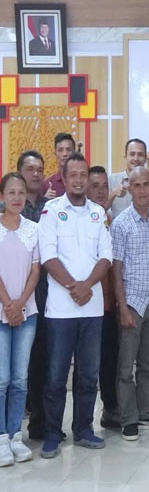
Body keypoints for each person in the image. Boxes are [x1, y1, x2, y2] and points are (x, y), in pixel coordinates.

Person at [37, 153, 113, 458]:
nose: (80, 180)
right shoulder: (51, 211)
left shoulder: (98, 213)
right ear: (64, 178)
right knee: (56, 375)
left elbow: (106, 256)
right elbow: (48, 257)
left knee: (88, 374)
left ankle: (84, 429)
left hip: (91, 309)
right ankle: (53, 433)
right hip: (61, 310)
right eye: (74, 175)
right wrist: (74, 286)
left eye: (84, 175)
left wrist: (87, 286)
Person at [111, 166, 149, 441]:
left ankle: (145, 412)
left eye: (147, 185)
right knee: (126, 368)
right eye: (138, 185)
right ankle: (128, 418)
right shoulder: (121, 223)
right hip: (132, 303)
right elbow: (116, 269)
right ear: (129, 188)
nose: (143, 190)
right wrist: (122, 308)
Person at [0, 173, 40, 466]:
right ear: (2, 196)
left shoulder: (33, 230)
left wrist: (20, 304)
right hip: (1, 311)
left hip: (27, 312)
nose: (16, 197)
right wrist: (8, 305)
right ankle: (1, 436)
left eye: (21, 192)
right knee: (1, 379)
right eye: (11, 192)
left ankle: (16, 434)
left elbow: (36, 272)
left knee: (20, 379)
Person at [13, 151, 50, 441]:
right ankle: (8, 431)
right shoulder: (8, 211)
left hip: (46, 299)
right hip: (12, 300)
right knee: (10, 372)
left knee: (40, 366)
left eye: (40, 169)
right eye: (30, 169)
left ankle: (39, 424)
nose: (36, 174)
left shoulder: (52, 209)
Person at [86, 167, 120, 430]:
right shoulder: (81, 220)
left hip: (111, 306)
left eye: (104, 186)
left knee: (111, 361)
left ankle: (111, 409)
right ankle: (82, 421)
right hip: (86, 305)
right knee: (88, 366)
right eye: (94, 185)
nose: (100, 191)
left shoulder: (113, 220)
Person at [107, 138, 149, 218]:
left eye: (140, 155)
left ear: (145, 158)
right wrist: (114, 193)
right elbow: (100, 210)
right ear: (125, 156)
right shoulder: (111, 180)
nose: (136, 159)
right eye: (132, 154)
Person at [41, 132, 75, 198]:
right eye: (60, 150)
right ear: (55, 154)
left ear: (74, 152)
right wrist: (44, 200)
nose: (65, 154)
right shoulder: (47, 184)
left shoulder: (81, 182)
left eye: (68, 150)